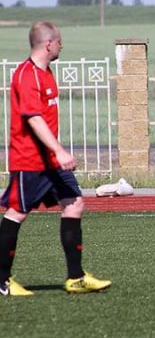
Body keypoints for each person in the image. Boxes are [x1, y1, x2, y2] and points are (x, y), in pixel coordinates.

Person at [0, 21, 111, 296]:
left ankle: (76, 278)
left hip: (51, 161)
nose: (62, 45)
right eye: (59, 41)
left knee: (74, 204)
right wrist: (60, 150)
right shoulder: (27, 75)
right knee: (16, 213)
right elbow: (33, 118)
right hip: (30, 160)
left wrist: (56, 154)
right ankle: (2, 280)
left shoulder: (47, 72)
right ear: (48, 44)